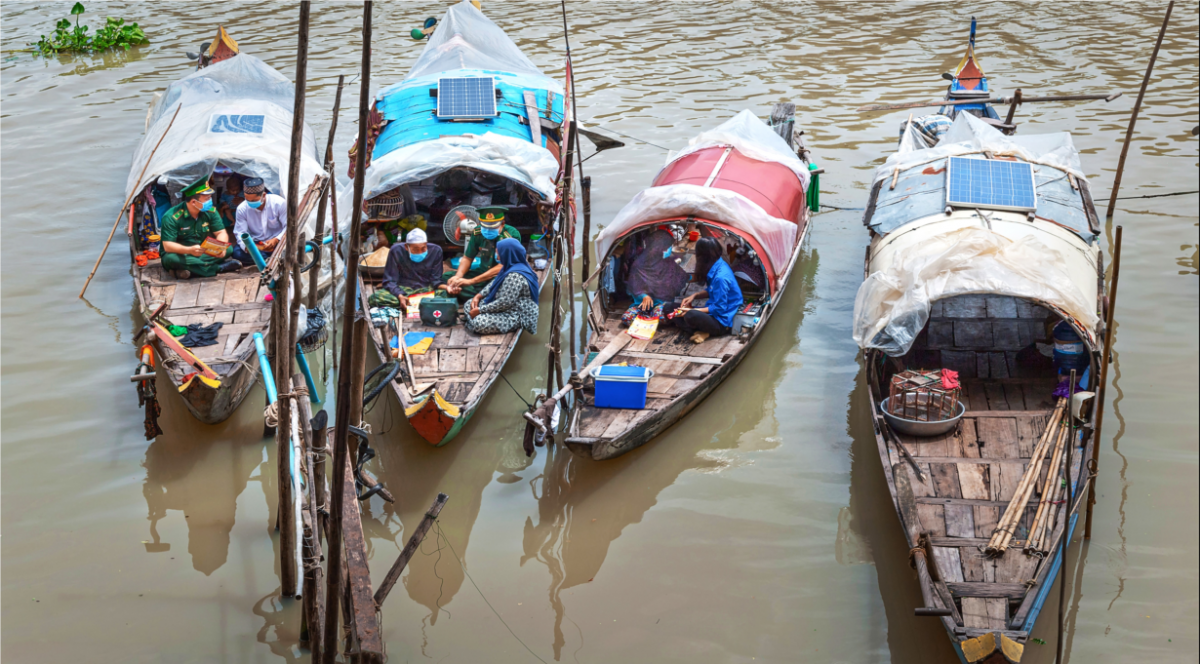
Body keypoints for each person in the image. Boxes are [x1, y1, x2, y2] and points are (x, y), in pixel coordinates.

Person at [662, 237, 743, 343]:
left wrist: (691, 310)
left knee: (690, 315)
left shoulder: (720, 278)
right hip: (713, 311)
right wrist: (695, 295)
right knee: (669, 308)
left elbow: (719, 308)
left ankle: (708, 332)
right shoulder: (717, 264)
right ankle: (701, 330)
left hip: (722, 321)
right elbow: (712, 290)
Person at [160, 177, 238, 279]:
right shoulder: (172, 216)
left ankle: (191, 271)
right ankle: (218, 268)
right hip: (181, 253)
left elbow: (221, 232)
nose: (210, 201)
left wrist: (220, 247)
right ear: (193, 202)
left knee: (228, 249)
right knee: (171, 259)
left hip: (202, 250)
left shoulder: (210, 211)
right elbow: (168, 246)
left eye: (210, 197)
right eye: (207, 199)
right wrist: (189, 250)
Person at [443, 206, 521, 301]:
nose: (488, 230)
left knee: (504, 287)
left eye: (492, 227)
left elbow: (503, 266)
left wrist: (470, 282)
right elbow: (468, 257)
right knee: (447, 277)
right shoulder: (477, 232)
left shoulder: (510, 236)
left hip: (500, 277)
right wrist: (458, 277)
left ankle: (471, 293)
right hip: (481, 272)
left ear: (502, 224)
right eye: (485, 226)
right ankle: (480, 295)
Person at [465, 238, 539, 335]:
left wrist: (480, 310)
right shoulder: (510, 267)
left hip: (515, 314)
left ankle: (472, 323)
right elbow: (494, 283)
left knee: (480, 322)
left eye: (499, 254)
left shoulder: (514, 276)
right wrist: (478, 296)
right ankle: (472, 321)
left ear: (507, 254)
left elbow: (504, 303)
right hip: (503, 306)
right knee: (469, 304)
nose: (498, 257)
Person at [618, 228, 689, 325]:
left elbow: (682, 277)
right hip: (642, 304)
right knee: (626, 318)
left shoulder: (668, 263)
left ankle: (648, 320)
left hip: (661, 303)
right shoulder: (638, 264)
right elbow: (634, 285)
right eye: (655, 247)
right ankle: (650, 320)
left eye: (661, 247)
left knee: (662, 317)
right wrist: (644, 295)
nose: (657, 250)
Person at [380, 228, 445, 308]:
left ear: (426, 244)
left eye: (423, 248)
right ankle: (419, 302)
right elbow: (389, 280)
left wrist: (447, 287)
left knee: (446, 295)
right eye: (415, 249)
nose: (420, 252)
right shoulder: (396, 251)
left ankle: (415, 302)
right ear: (406, 247)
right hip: (403, 289)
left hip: (427, 290)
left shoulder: (436, 251)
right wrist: (400, 295)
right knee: (375, 298)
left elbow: (436, 279)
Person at [232, 178, 287, 267]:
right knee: (237, 252)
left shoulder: (279, 203)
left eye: (254, 200)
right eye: (247, 199)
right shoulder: (242, 208)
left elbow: (288, 226)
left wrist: (276, 239)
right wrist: (249, 248)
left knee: (290, 248)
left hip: (277, 242)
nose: (250, 202)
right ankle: (271, 258)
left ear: (264, 195)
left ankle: (264, 259)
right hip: (256, 244)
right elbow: (240, 232)